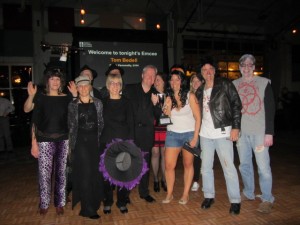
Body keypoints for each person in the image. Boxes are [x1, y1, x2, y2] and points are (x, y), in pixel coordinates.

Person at [24, 66, 77, 216]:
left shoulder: (67, 97)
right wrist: (34, 143)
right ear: (47, 81)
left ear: (61, 82)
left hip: (63, 139)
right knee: (44, 174)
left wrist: (74, 96)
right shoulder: (40, 96)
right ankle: (44, 202)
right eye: (52, 78)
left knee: (61, 173)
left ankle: (60, 203)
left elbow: (75, 115)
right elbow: (28, 111)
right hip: (44, 140)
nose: (55, 81)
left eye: (58, 79)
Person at [196, 56, 242, 215]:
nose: (208, 72)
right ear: (201, 73)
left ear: (215, 71)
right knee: (206, 167)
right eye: (204, 70)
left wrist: (236, 127)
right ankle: (209, 196)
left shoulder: (225, 84)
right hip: (205, 135)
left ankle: (235, 200)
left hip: (223, 132)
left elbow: (237, 104)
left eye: (210, 69)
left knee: (228, 167)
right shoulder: (200, 90)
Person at [233, 54, 275, 214]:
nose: (246, 67)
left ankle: (267, 198)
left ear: (254, 67)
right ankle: (249, 192)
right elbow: (232, 109)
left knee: (263, 168)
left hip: (259, 132)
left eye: (250, 65)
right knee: (244, 165)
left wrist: (269, 133)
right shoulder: (234, 84)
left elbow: (270, 110)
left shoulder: (264, 83)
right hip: (242, 133)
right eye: (243, 65)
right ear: (239, 67)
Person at [161, 67, 201, 205]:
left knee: (188, 164)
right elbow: (167, 119)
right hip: (172, 134)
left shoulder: (190, 96)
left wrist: (195, 137)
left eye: (177, 79)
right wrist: (166, 108)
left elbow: (198, 118)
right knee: (169, 166)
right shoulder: (168, 96)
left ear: (182, 81)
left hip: (189, 134)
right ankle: (170, 194)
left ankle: (185, 194)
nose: (174, 82)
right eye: (172, 80)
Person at [68, 75, 104, 219]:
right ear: (77, 88)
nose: (83, 88)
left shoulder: (98, 103)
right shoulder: (73, 105)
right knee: (86, 174)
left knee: (95, 173)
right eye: (80, 86)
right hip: (80, 143)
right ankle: (87, 209)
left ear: (90, 87)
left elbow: (101, 124)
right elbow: (71, 127)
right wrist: (71, 148)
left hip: (95, 142)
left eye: (85, 85)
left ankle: (94, 203)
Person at [123, 65, 159, 203]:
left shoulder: (156, 94)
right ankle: (125, 194)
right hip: (131, 132)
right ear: (142, 75)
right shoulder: (130, 89)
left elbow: (160, 117)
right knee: (128, 164)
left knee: (144, 165)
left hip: (147, 134)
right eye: (148, 75)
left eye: (153, 76)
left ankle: (144, 192)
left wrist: (156, 105)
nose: (150, 78)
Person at [100, 72, 134, 214]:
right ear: (108, 85)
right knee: (107, 175)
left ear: (121, 86)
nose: (115, 86)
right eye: (112, 83)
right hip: (106, 142)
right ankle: (108, 201)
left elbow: (131, 124)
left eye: (118, 83)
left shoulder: (126, 102)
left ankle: (121, 201)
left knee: (123, 174)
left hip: (123, 143)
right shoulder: (102, 102)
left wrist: (131, 144)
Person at [152, 72, 168, 192]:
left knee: (164, 153)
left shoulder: (169, 95)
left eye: (158, 80)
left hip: (166, 128)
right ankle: (156, 179)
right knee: (155, 152)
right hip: (153, 127)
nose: (155, 82)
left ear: (163, 81)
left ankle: (164, 179)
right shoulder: (150, 94)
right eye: (155, 80)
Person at [189, 74, 204, 192]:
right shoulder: (188, 95)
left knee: (198, 155)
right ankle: (194, 179)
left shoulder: (205, 95)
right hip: (190, 128)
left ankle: (196, 180)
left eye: (198, 81)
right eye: (193, 81)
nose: (195, 83)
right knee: (193, 156)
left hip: (203, 129)